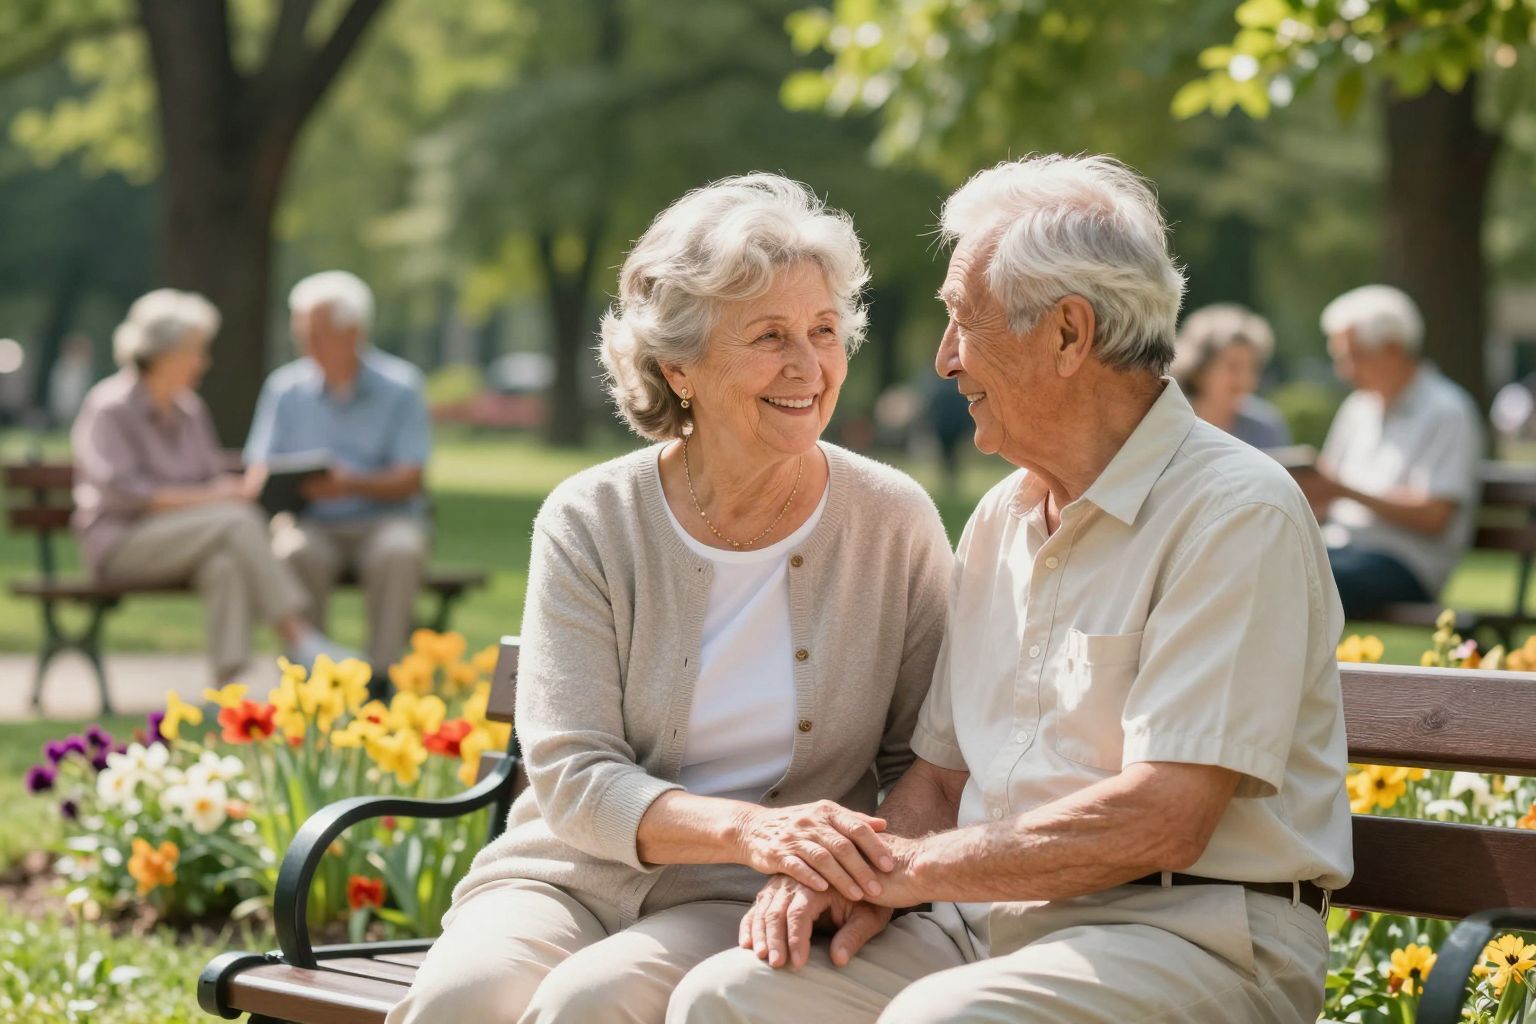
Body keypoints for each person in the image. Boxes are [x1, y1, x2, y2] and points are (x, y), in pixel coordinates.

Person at [672, 154, 1351, 1024]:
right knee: (729, 997)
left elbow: (1165, 817)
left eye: (962, 321)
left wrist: (907, 871)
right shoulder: (1003, 514)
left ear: (1069, 334)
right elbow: (941, 774)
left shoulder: (1233, 512)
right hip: (986, 924)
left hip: (1191, 931)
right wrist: (847, 876)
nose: (945, 360)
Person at [387, 175, 953, 1024]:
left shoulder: (892, 518)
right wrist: (748, 826)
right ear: (678, 366)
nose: (809, 366)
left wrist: (819, 869)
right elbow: (573, 777)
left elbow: (925, 761)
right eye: (769, 336)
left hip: (749, 894)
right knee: (456, 1002)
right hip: (564, 874)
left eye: (825, 331)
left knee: (593, 1003)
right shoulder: (591, 518)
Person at [70, 290, 345, 683]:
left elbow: (208, 479)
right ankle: (298, 636)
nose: (204, 362)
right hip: (121, 542)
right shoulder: (110, 407)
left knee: (225, 564)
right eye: (196, 350)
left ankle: (228, 686)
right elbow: (124, 494)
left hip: (185, 537)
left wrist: (235, 487)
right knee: (236, 521)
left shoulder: (189, 410)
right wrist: (219, 497)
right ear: (163, 352)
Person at [244, 271, 432, 676]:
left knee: (399, 552)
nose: (307, 346)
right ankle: (314, 679)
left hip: (386, 520)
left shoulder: (401, 387)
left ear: (353, 334)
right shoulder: (285, 389)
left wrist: (349, 483)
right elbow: (260, 465)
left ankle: (382, 679)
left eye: (318, 335)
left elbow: (410, 477)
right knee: (293, 551)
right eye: (302, 334)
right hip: (312, 522)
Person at [1299, 285, 1484, 619]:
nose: (1344, 371)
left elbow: (1434, 516)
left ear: (1394, 350)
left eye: (1354, 356)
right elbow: (1328, 487)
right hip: (1342, 549)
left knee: (1301, 578)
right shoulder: (1358, 408)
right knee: (1266, 561)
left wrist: (1343, 489)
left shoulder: (1448, 411)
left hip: (1406, 563)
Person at [1171, 302, 1290, 449]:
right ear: (1199, 370)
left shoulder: (1265, 427)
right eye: (1233, 367)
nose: (1244, 379)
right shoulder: (1171, 422)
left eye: (1252, 368)